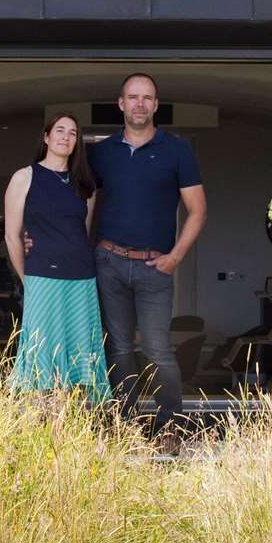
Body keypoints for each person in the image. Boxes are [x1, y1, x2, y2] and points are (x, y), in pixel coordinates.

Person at [88, 72, 207, 439]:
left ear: (156, 105)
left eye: (147, 98)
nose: (140, 104)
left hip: (156, 267)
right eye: (132, 97)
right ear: (121, 104)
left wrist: (176, 257)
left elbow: (198, 210)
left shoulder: (177, 151)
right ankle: (125, 429)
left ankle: (170, 428)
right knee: (120, 349)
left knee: (158, 350)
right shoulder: (102, 152)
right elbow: (85, 202)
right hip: (108, 262)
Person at [3, 113, 109, 403]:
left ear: (77, 142)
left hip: (81, 279)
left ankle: (69, 423)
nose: (66, 136)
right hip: (42, 277)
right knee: (41, 352)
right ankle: (39, 425)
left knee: (78, 351)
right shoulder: (25, 177)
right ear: (47, 138)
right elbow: (12, 236)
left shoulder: (85, 185)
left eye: (73, 133)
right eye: (60, 130)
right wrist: (27, 279)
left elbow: (81, 233)